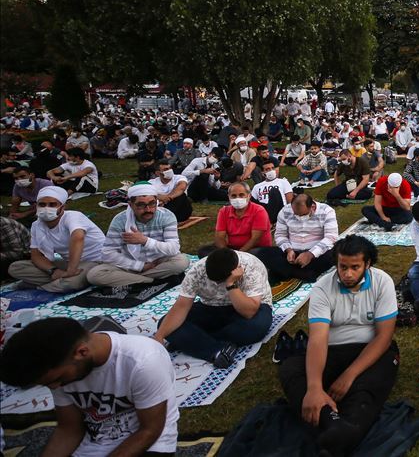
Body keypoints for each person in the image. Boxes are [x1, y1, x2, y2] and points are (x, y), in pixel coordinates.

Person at [278, 235, 399, 456]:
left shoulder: (382, 282)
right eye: (343, 267)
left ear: (367, 264)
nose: (348, 273)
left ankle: (343, 428)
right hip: (332, 350)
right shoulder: (322, 288)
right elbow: (318, 339)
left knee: (368, 386)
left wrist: (349, 375)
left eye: (355, 267)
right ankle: (333, 423)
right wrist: (315, 387)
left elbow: (384, 337)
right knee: (291, 369)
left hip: (370, 350)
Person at [0, 317, 179, 456]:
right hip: (96, 442)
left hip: (149, 441)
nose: (54, 387)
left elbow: (149, 430)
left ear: (82, 352)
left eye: (57, 379)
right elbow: (68, 429)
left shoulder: (144, 361)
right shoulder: (60, 371)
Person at [153, 248, 273, 368]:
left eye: (220, 281)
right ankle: (217, 349)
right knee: (164, 324)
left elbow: (249, 312)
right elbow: (181, 307)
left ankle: (193, 341)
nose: (217, 285)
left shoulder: (252, 266)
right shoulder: (197, 271)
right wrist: (159, 337)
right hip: (211, 307)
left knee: (257, 326)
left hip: (247, 307)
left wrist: (231, 285)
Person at [87, 183, 190, 287]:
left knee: (182, 261)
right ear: (130, 205)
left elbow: (173, 248)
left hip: (158, 263)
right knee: (94, 274)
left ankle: (134, 281)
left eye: (152, 203)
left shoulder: (166, 216)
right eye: (141, 205)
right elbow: (108, 253)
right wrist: (139, 266)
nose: (148, 210)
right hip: (129, 265)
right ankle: (153, 282)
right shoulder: (120, 220)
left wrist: (145, 241)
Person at [8, 186, 105, 292]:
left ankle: (40, 285)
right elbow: (36, 256)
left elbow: (78, 237)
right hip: (67, 262)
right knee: (16, 267)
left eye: (52, 204)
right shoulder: (37, 225)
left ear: (63, 207)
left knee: (71, 283)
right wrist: (53, 271)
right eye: (42, 204)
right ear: (36, 206)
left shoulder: (73, 216)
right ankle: (58, 279)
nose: (46, 208)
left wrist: (71, 270)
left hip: (95, 261)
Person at [258, 193, 338, 282]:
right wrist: (288, 250)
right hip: (293, 253)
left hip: (317, 255)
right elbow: (280, 235)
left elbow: (331, 237)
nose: (299, 217)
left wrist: (310, 254)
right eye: (296, 214)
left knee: (333, 254)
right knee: (263, 253)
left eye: (303, 214)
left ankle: (285, 272)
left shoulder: (326, 211)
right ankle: (300, 273)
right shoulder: (285, 211)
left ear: (312, 207)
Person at [202, 182, 273, 256]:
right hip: (233, 249)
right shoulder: (224, 211)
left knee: (259, 254)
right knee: (205, 251)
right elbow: (219, 237)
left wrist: (237, 255)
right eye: (234, 196)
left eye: (241, 195)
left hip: (255, 248)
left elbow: (255, 239)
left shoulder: (259, 211)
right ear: (229, 197)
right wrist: (227, 253)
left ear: (249, 196)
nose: (237, 198)